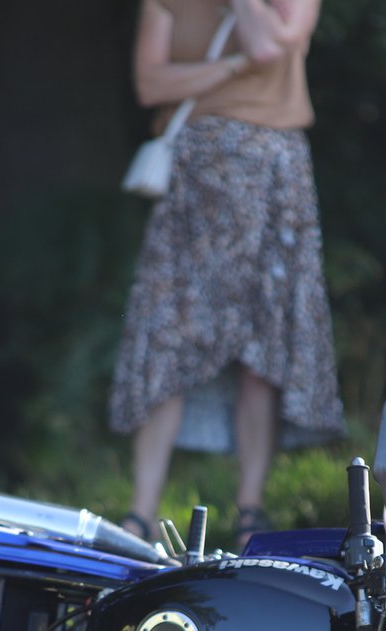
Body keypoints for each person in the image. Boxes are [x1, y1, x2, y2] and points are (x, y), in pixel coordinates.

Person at [110, 0, 345, 550]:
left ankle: (249, 512)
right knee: (167, 337)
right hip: (193, 185)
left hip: (273, 183)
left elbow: (268, 46)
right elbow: (150, 84)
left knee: (261, 349)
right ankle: (140, 514)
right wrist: (231, 68)